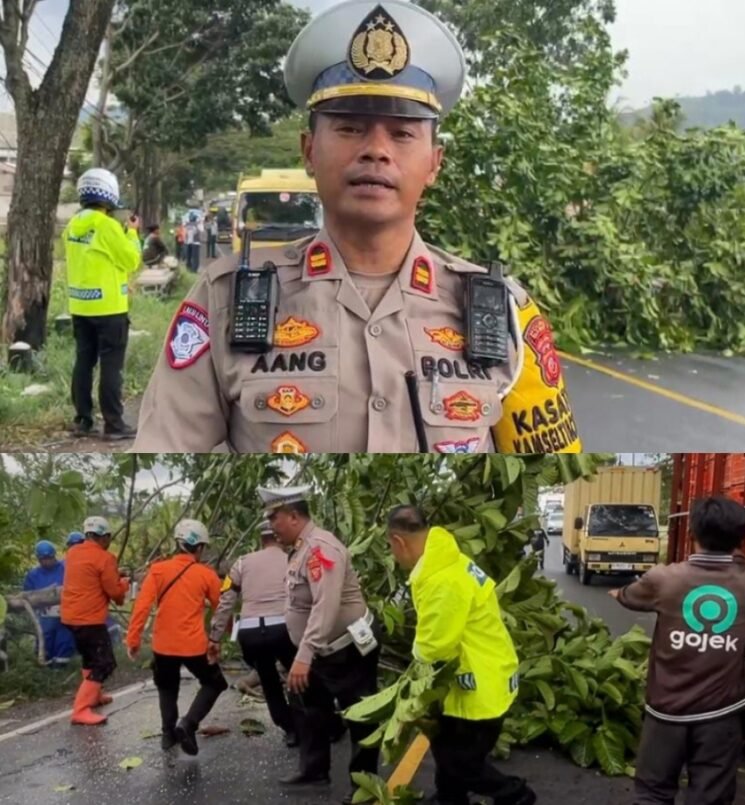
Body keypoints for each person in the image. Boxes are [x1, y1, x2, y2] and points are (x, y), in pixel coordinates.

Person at [133, 0, 581, 454]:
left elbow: (545, 465)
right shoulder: (223, 298)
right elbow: (161, 451)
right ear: (309, 150)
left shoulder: (505, 312)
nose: (376, 151)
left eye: (403, 133)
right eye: (350, 128)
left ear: (434, 163)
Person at [609, 496, 745, 805]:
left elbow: (627, 596)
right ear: (743, 537)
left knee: (652, 794)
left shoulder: (664, 579)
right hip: (722, 714)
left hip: (665, 712)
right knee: (711, 797)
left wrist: (617, 592)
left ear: (693, 533)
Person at [386, 506, 536, 805]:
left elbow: (434, 647)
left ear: (399, 541)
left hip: (480, 684)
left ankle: (516, 795)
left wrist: (411, 674)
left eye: (391, 547)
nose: (393, 555)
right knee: (446, 746)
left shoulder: (442, 581)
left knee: (462, 762)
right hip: (482, 671)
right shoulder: (449, 561)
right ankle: (449, 798)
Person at [258, 485, 379, 803]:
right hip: (318, 649)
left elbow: (326, 605)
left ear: (294, 516)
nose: (271, 525)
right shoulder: (299, 549)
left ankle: (364, 786)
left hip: (345, 649)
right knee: (308, 707)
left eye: (274, 517)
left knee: (359, 715)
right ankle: (314, 769)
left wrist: (304, 655)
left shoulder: (320, 548)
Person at [126, 519, 227, 754]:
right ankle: (188, 723)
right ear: (199, 548)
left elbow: (141, 606)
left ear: (178, 544)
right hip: (194, 645)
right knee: (215, 683)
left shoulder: (158, 570)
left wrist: (133, 640)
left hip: (163, 644)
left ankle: (167, 734)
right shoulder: (206, 574)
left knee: (167, 687)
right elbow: (220, 608)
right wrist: (219, 637)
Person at [63, 168, 142, 440]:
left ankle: (83, 421)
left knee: (83, 362)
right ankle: (114, 425)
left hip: (80, 307)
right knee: (111, 366)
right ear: (109, 194)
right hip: (109, 309)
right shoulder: (107, 225)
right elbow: (131, 260)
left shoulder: (73, 224)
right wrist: (131, 233)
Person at [208, 520, 298, 746]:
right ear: (279, 537)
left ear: (260, 540)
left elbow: (226, 600)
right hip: (282, 628)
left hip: (250, 633)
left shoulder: (241, 563)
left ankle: (290, 729)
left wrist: (215, 637)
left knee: (268, 680)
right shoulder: (293, 559)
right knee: (299, 675)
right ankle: (314, 724)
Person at [61, 516, 130, 726]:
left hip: (70, 616)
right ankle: (81, 709)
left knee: (89, 658)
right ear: (105, 537)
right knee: (105, 663)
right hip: (89, 619)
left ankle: (95, 696)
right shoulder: (105, 558)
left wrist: (114, 573)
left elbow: (89, 573)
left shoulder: (73, 553)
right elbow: (115, 594)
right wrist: (124, 584)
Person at [22, 541, 76, 668]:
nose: (46, 562)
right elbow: (27, 595)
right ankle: (45, 669)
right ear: (39, 559)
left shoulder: (66, 568)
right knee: (45, 644)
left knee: (64, 642)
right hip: (45, 616)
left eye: (49, 558)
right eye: (43, 559)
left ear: (54, 556)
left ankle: (60, 669)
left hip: (65, 614)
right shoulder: (33, 575)